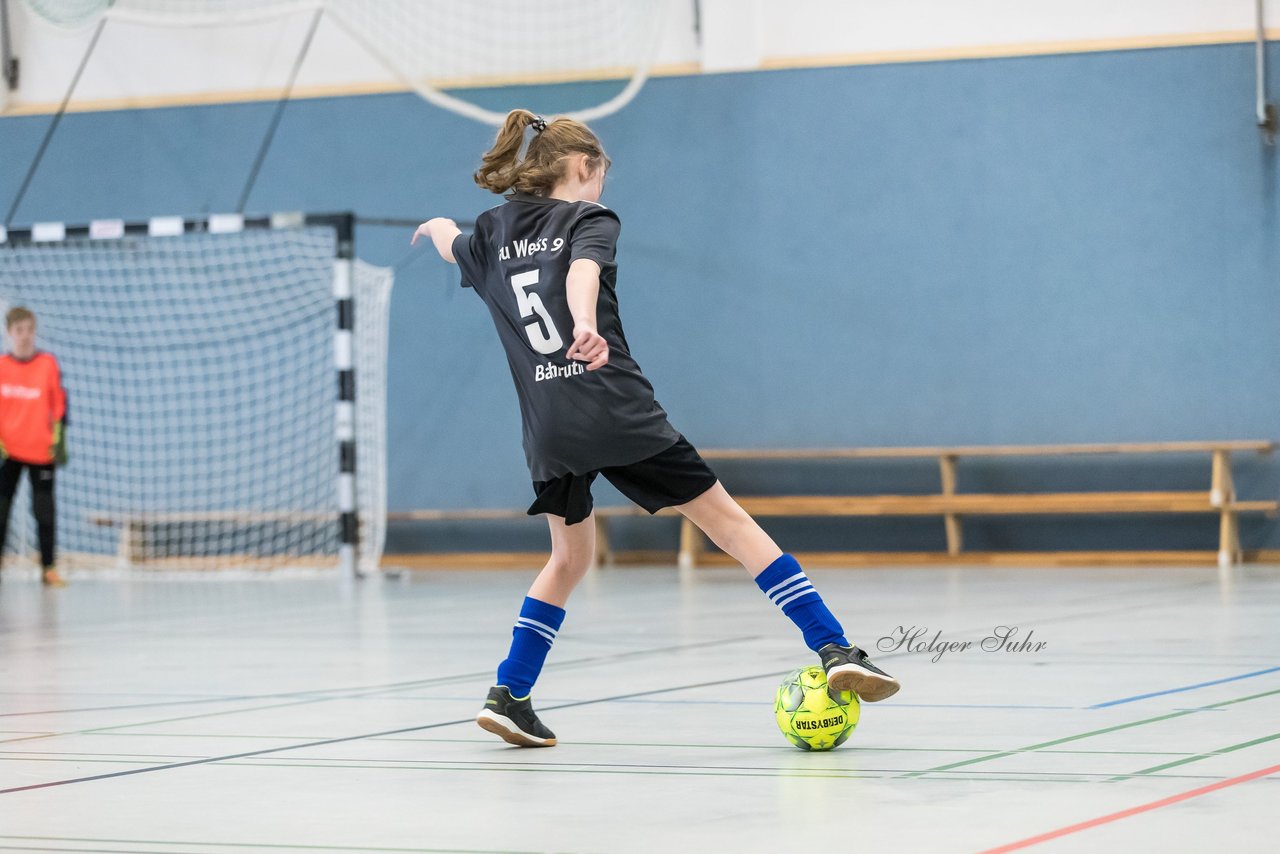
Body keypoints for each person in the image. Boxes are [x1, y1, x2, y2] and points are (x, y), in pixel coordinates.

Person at [412, 110, 899, 747]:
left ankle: (510, 693)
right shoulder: (589, 219)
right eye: (601, 176)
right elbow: (581, 271)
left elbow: (452, 238)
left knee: (568, 558)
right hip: (614, 410)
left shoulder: (489, 233)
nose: (602, 190)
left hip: (549, 427)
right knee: (730, 523)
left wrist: (436, 227)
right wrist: (583, 324)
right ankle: (836, 649)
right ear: (583, 167)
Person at [0, 307, 68, 588]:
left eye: (29, 330)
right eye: (19, 331)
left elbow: (59, 404)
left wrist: (59, 437)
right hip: (9, 451)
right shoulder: (2, 367)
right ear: (10, 333)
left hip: (41, 451)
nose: (25, 336)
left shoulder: (47, 364)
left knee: (44, 512)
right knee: (1, 511)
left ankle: (48, 568)